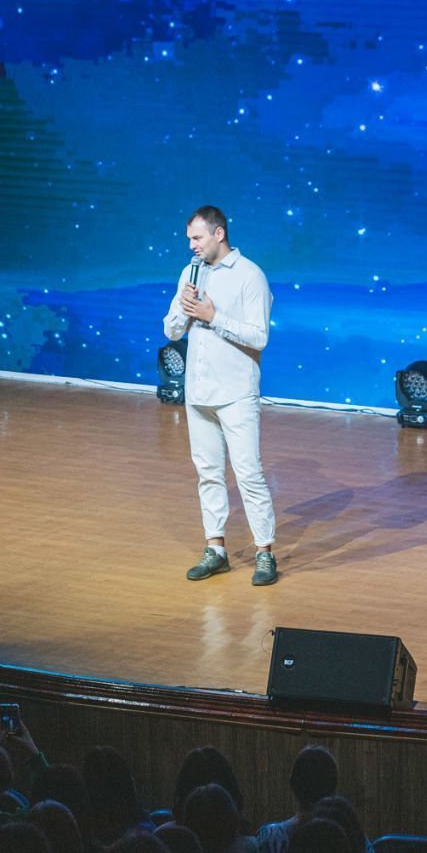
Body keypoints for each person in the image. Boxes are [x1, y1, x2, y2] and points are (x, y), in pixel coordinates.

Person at [162, 205, 278, 586]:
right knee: (208, 474)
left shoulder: (250, 276)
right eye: (189, 239)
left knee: (249, 475)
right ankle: (216, 549)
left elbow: (259, 336)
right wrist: (185, 307)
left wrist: (213, 316)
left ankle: (264, 553)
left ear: (219, 234)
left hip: (236, 393)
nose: (191, 245)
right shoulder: (190, 273)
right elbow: (171, 331)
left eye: (197, 238)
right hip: (199, 393)